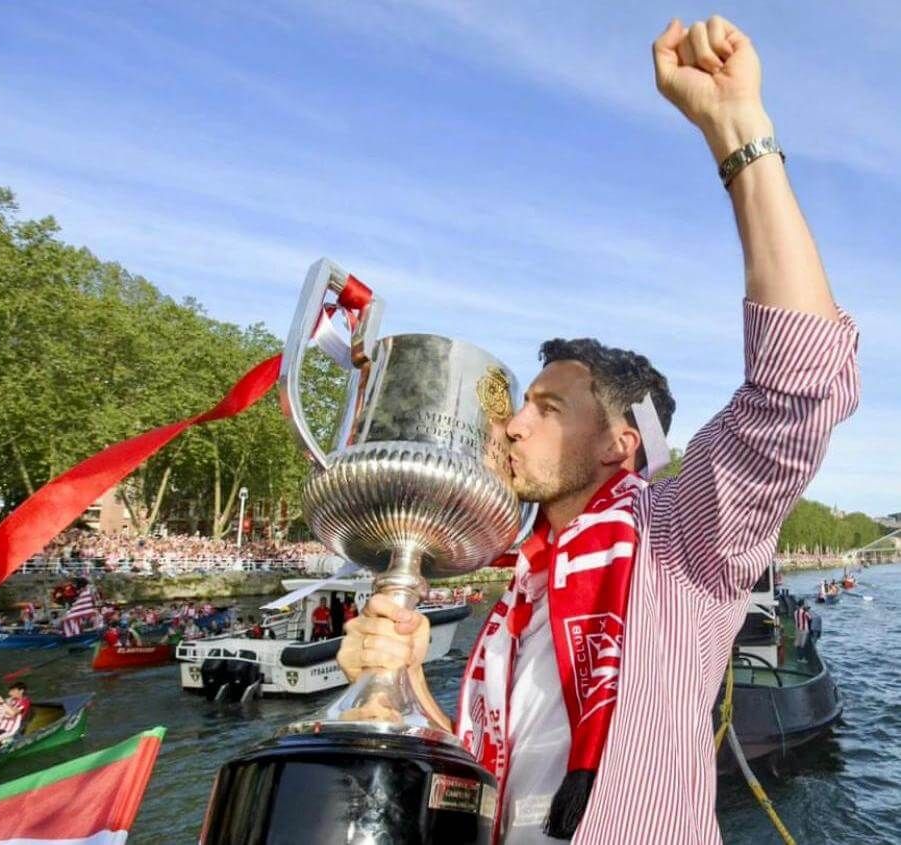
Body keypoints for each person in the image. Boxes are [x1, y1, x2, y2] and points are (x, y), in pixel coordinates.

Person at [337, 15, 859, 842]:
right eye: (520, 404)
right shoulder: (518, 592)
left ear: (621, 443)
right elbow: (488, 785)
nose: (510, 427)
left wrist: (738, 133)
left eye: (548, 408)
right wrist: (400, 686)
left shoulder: (680, 541)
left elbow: (801, 379)